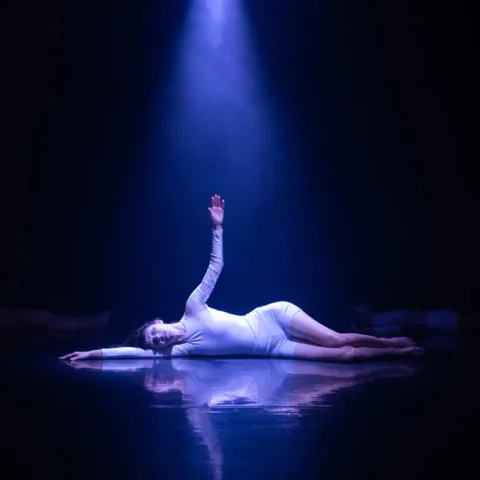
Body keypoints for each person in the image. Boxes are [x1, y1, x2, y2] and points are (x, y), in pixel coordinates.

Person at [60, 195, 424, 364]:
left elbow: (215, 267)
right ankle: (396, 356)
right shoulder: (180, 351)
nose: (160, 340)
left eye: (155, 333)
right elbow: (132, 355)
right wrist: (93, 353)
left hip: (272, 317)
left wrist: (217, 228)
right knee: (343, 356)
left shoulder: (192, 308)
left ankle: (393, 344)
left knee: (336, 338)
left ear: (159, 322)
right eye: (156, 344)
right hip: (272, 349)